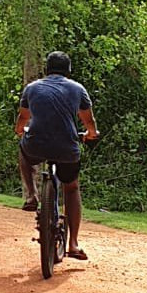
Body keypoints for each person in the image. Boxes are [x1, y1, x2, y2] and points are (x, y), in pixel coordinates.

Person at [14, 51, 99, 261]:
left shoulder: (32, 88)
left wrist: (20, 130)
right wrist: (91, 134)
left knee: (23, 151)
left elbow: (22, 118)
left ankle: (32, 195)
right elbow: (89, 122)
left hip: (36, 145)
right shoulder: (77, 89)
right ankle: (74, 244)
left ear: (46, 70)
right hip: (67, 148)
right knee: (71, 188)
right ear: (69, 71)